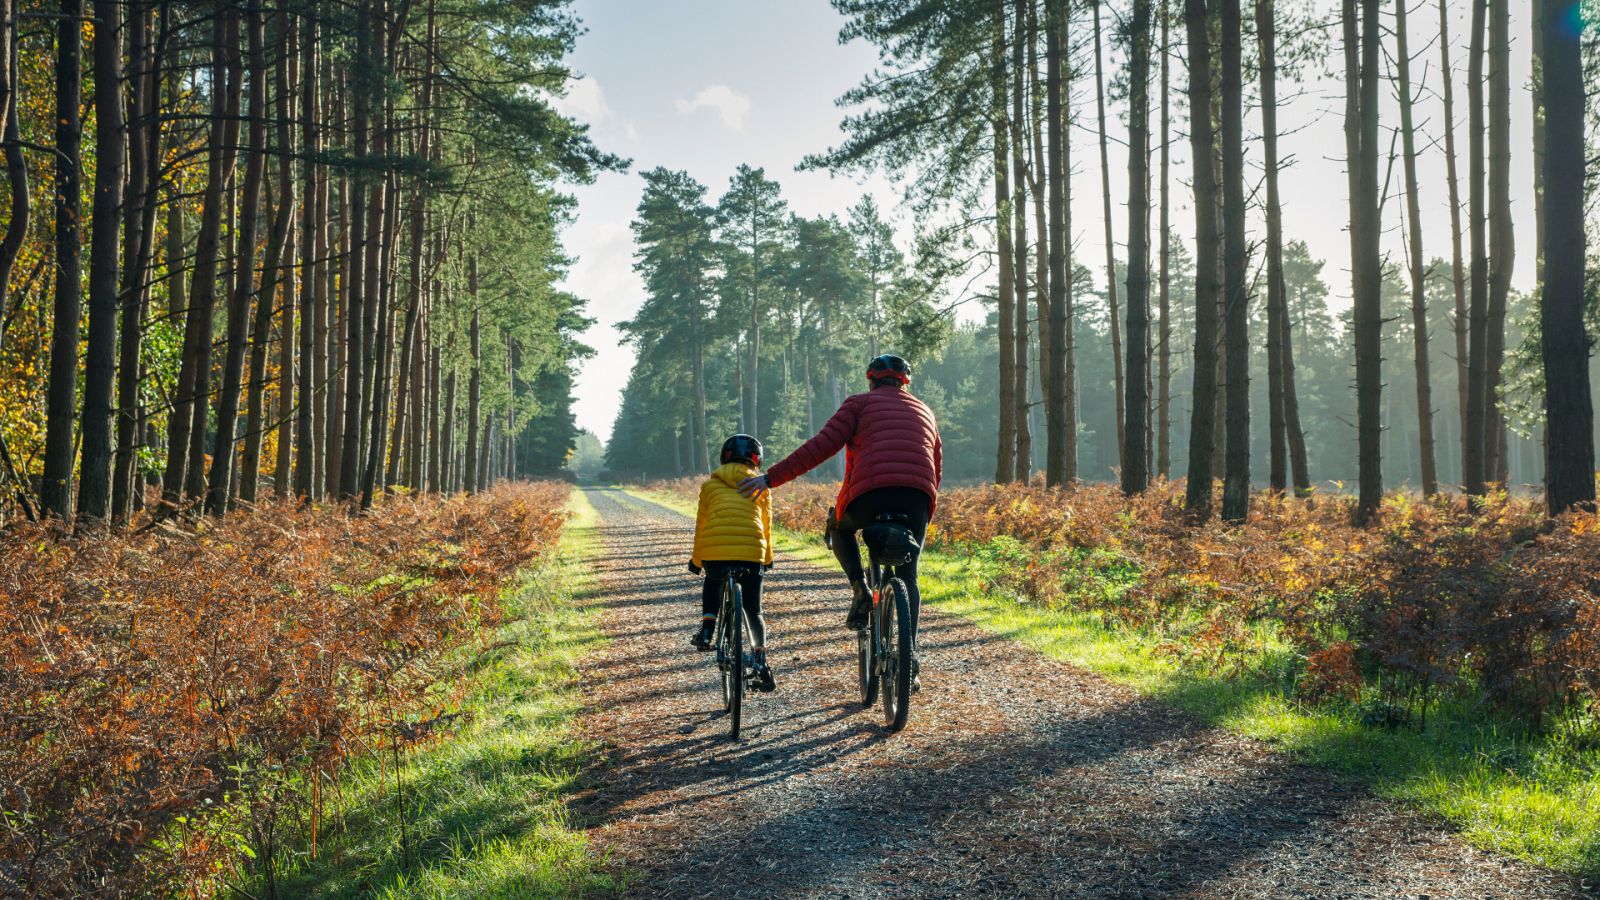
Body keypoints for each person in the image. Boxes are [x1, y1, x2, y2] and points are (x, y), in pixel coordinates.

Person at [739, 354, 941, 685]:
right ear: (905, 382)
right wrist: (925, 510)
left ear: (871, 380)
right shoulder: (924, 410)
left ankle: (860, 587)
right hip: (917, 498)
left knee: (839, 526)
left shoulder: (859, 404)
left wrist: (770, 479)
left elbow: (821, 446)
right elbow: (936, 463)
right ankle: (911, 659)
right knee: (909, 576)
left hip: (869, 496)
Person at [689, 433, 775, 692]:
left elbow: (701, 525)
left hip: (714, 552)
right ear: (756, 459)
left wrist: (696, 561)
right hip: (751, 554)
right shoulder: (761, 485)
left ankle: (706, 629)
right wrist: (767, 559)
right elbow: (767, 526)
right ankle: (759, 659)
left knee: (712, 580)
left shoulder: (709, 486)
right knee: (753, 610)